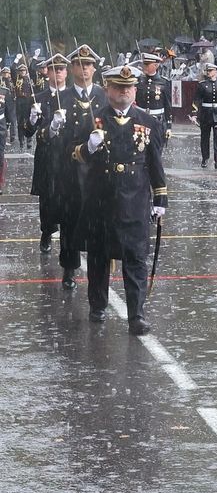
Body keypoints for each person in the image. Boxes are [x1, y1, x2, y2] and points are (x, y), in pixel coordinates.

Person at [72, 63, 167, 334]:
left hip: (135, 202)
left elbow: (155, 164)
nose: (123, 92)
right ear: (107, 89)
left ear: (135, 90)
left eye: (128, 88)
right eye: (118, 87)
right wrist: (88, 147)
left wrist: (160, 199)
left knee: (136, 259)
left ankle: (136, 314)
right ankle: (98, 306)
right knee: (99, 257)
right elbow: (74, 154)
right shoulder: (93, 118)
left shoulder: (148, 123)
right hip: (102, 200)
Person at [57, 46, 109, 289]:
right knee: (70, 220)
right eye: (79, 64)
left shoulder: (104, 96)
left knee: (98, 220)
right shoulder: (64, 97)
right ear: (72, 68)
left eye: (88, 64)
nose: (84, 68)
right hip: (71, 168)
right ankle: (69, 267)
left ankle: (99, 269)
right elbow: (58, 141)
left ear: (94, 68)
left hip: (97, 170)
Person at [28, 53, 70, 255]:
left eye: (61, 69)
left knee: (67, 198)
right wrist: (32, 118)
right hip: (46, 155)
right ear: (48, 72)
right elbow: (28, 130)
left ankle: (67, 237)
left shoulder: (72, 97)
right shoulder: (40, 97)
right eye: (54, 69)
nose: (58, 72)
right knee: (47, 199)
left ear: (66, 72)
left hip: (68, 156)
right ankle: (46, 232)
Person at [135, 48, 174, 145]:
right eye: (144, 64)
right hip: (141, 119)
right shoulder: (138, 81)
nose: (144, 67)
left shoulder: (164, 82)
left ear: (156, 65)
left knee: (156, 150)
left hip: (157, 120)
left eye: (147, 64)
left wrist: (168, 126)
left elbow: (168, 105)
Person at [192, 62, 217, 168]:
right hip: (206, 113)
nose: (209, 73)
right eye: (208, 71)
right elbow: (197, 99)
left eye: (211, 71)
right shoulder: (202, 85)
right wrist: (194, 113)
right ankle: (205, 158)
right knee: (205, 137)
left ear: (216, 71)